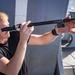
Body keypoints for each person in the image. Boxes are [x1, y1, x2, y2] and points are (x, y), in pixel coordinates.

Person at [0, 12, 75, 75]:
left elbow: (42, 39)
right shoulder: (21, 38)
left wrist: (57, 31)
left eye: (8, 26)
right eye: (4, 28)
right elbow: (11, 71)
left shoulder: (14, 36)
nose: (8, 30)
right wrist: (23, 40)